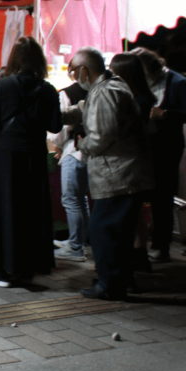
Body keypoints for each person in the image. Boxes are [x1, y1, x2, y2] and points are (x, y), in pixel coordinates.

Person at [0, 37, 60, 288]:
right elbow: (55, 125)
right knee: (31, 210)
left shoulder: (3, 85)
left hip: (5, 156)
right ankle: (27, 267)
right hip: (35, 155)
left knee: (4, 210)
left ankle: (1, 270)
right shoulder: (48, 89)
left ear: (13, 59)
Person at [66, 47, 153, 300]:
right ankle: (119, 278)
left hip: (118, 175)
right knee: (118, 233)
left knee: (105, 231)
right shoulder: (108, 87)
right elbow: (85, 108)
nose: (74, 77)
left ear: (84, 70)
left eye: (73, 71)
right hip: (123, 173)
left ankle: (110, 285)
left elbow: (103, 136)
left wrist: (82, 144)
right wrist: (59, 116)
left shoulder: (105, 91)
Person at [132, 47, 186, 263]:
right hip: (142, 146)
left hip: (167, 148)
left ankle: (161, 246)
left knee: (162, 197)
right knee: (142, 195)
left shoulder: (178, 82)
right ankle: (140, 246)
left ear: (151, 68)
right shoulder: (139, 82)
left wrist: (166, 114)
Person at [109, 52, 157, 275]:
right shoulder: (144, 96)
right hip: (142, 159)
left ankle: (130, 263)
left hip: (129, 161)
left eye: (113, 71)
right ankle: (141, 258)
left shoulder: (129, 99)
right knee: (137, 214)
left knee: (128, 214)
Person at [50, 78, 90, 262]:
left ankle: (75, 246)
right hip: (86, 153)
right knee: (80, 198)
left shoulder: (66, 93)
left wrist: (57, 144)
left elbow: (60, 127)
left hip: (73, 151)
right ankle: (80, 241)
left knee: (71, 198)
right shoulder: (94, 91)